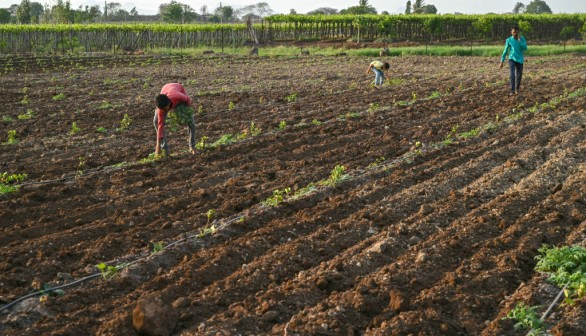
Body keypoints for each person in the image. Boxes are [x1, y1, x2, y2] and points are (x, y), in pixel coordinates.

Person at [154, 83, 197, 156]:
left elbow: (188, 100)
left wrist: (186, 112)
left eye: (165, 109)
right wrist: (157, 146)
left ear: (168, 104)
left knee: (191, 121)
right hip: (165, 88)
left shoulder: (178, 96)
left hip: (178, 90)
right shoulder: (161, 109)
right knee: (156, 121)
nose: (164, 111)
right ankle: (164, 149)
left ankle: (192, 147)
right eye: (162, 110)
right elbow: (160, 125)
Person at [500, 25, 527, 95]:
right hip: (512, 59)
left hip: (520, 59)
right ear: (511, 32)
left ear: (518, 32)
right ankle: (512, 90)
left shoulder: (522, 38)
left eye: (516, 32)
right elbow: (505, 51)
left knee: (519, 74)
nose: (515, 33)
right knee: (512, 74)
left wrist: (519, 41)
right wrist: (501, 61)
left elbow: (525, 48)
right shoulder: (508, 40)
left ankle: (517, 89)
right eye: (514, 32)